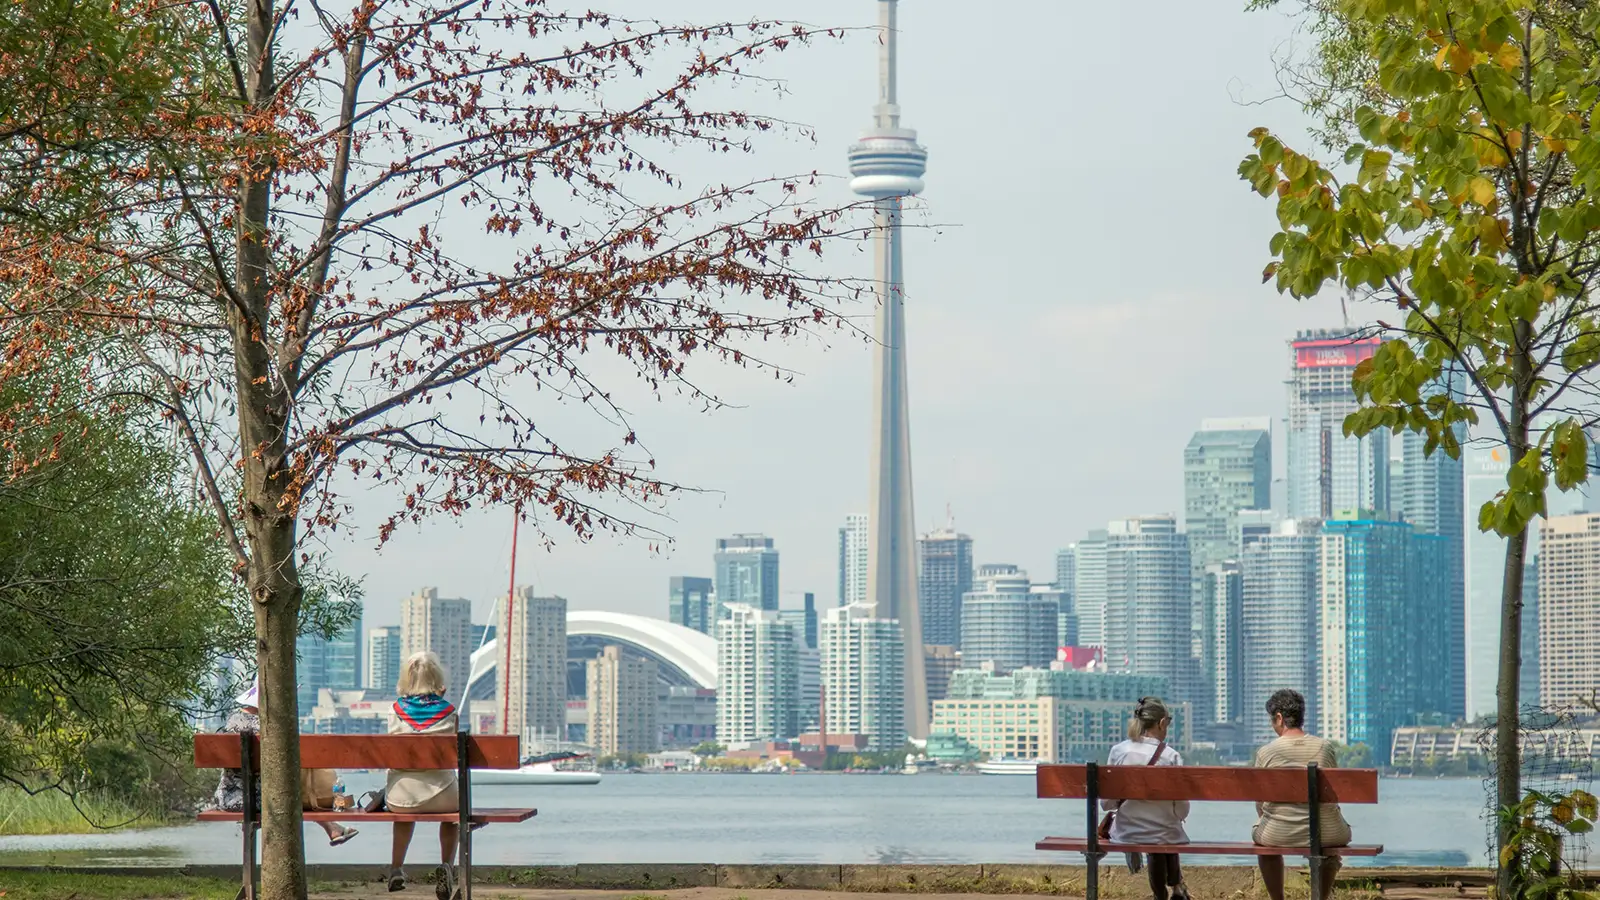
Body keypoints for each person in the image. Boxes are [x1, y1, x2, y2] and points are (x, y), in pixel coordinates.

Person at [206, 681, 359, 846]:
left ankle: (332, 828)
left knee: (288, 796)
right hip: (264, 800)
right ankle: (331, 827)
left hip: (228, 799)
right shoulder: (272, 727)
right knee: (292, 798)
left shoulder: (231, 722)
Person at [1253, 689, 1354, 900]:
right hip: (1327, 833)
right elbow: (1333, 796)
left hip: (1278, 833)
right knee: (1330, 840)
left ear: (1279, 718)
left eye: (1272, 721)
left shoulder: (1266, 752)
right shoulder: (1325, 748)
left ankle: (1277, 899)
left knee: (1264, 841)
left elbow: (1260, 804)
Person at [386, 651, 462, 898]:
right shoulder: (450, 712)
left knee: (404, 814)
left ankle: (397, 867)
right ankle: (447, 866)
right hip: (443, 795)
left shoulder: (394, 711)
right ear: (437, 678)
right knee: (453, 817)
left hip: (401, 796)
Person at [1103, 696, 1191, 900]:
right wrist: (1174, 816)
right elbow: (1182, 810)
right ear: (1161, 723)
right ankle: (1174, 888)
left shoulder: (1119, 751)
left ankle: (1163, 893)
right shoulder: (1171, 756)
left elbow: (1106, 803)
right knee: (1164, 832)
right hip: (1164, 833)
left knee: (1161, 833)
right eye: (1168, 723)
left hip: (1127, 832)